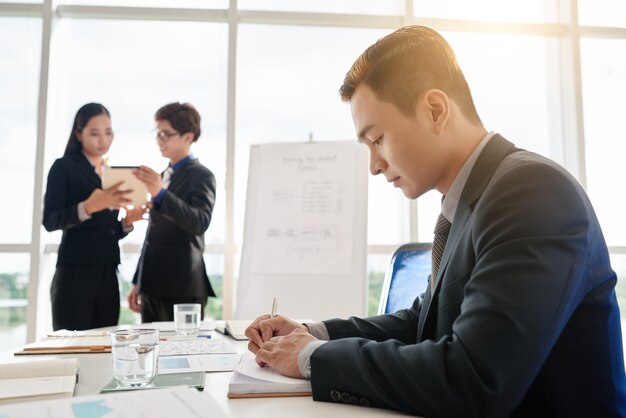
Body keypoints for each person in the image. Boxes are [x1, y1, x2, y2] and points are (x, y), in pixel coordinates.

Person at [245, 26, 626, 417]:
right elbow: (422, 322)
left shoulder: (531, 192)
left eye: (377, 139)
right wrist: (314, 334)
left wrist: (313, 357)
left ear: (435, 110)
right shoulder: (473, 201)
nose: (374, 166)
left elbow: (474, 379)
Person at [43, 102, 145, 331]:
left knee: (104, 346)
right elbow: (50, 220)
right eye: (94, 134)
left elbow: (105, 231)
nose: (103, 141)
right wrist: (88, 206)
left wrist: (126, 224)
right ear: (78, 134)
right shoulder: (63, 167)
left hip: (108, 272)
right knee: (74, 349)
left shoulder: (110, 173)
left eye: (108, 133)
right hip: (74, 273)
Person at [127, 102, 216, 322]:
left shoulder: (203, 176)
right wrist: (139, 280)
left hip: (183, 287)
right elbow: (152, 234)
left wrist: (161, 194)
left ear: (188, 137)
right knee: (151, 353)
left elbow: (200, 222)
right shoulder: (162, 175)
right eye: (157, 133)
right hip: (151, 285)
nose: (159, 140)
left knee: (183, 353)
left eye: (166, 134)